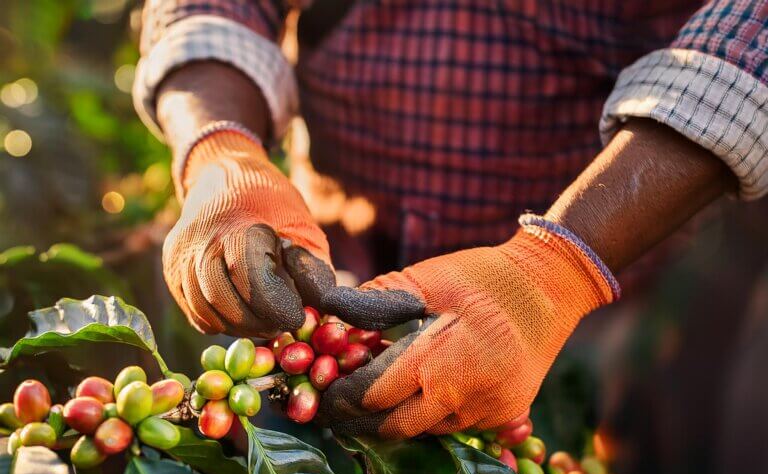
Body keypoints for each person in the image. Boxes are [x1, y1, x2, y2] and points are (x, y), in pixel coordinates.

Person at [133, 1, 766, 438]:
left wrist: (558, 271)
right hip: (337, 257)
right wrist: (221, 151)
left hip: (584, 300)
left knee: (560, 471)